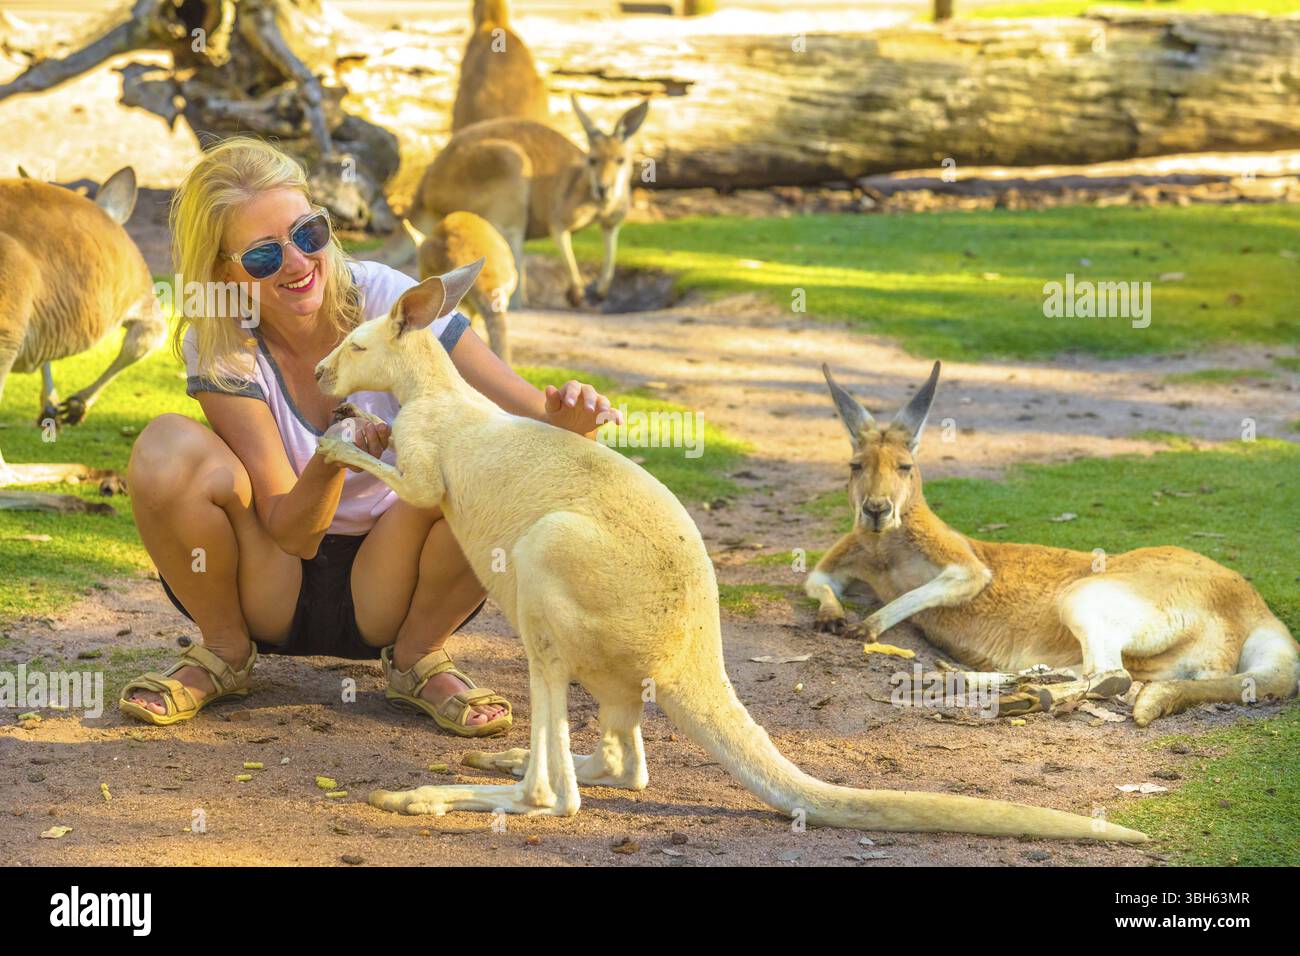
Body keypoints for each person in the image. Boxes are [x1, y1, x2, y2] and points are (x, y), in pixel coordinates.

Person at [120, 137, 619, 736]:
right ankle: (224, 651)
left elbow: (532, 415)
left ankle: (418, 656)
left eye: (308, 234)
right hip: (271, 577)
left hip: (394, 578)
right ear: (225, 271)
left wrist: (572, 425)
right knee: (166, 448)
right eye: (262, 257)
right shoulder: (222, 338)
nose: (299, 264)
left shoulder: (388, 298)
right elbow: (292, 533)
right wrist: (336, 455)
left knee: (495, 460)